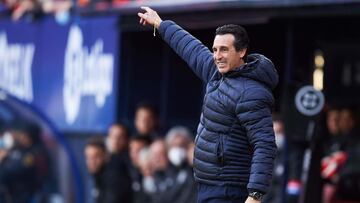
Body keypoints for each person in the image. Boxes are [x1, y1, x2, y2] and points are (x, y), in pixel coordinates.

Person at [138, 7, 278, 203]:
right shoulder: (216, 73)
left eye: (224, 49)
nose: (217, 56)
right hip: (208, 184)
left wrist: (255, 194)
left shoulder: (252, 93)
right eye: (215, 49)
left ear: (242, 51)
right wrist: (161, 25)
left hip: (229, 189)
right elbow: (191, 48)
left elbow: (265, 144)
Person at [84, 137, 132, 203]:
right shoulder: (97, 176)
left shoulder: (114, 177)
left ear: (105, 156)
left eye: (96, 157)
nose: (92, 162)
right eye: (88, 157)